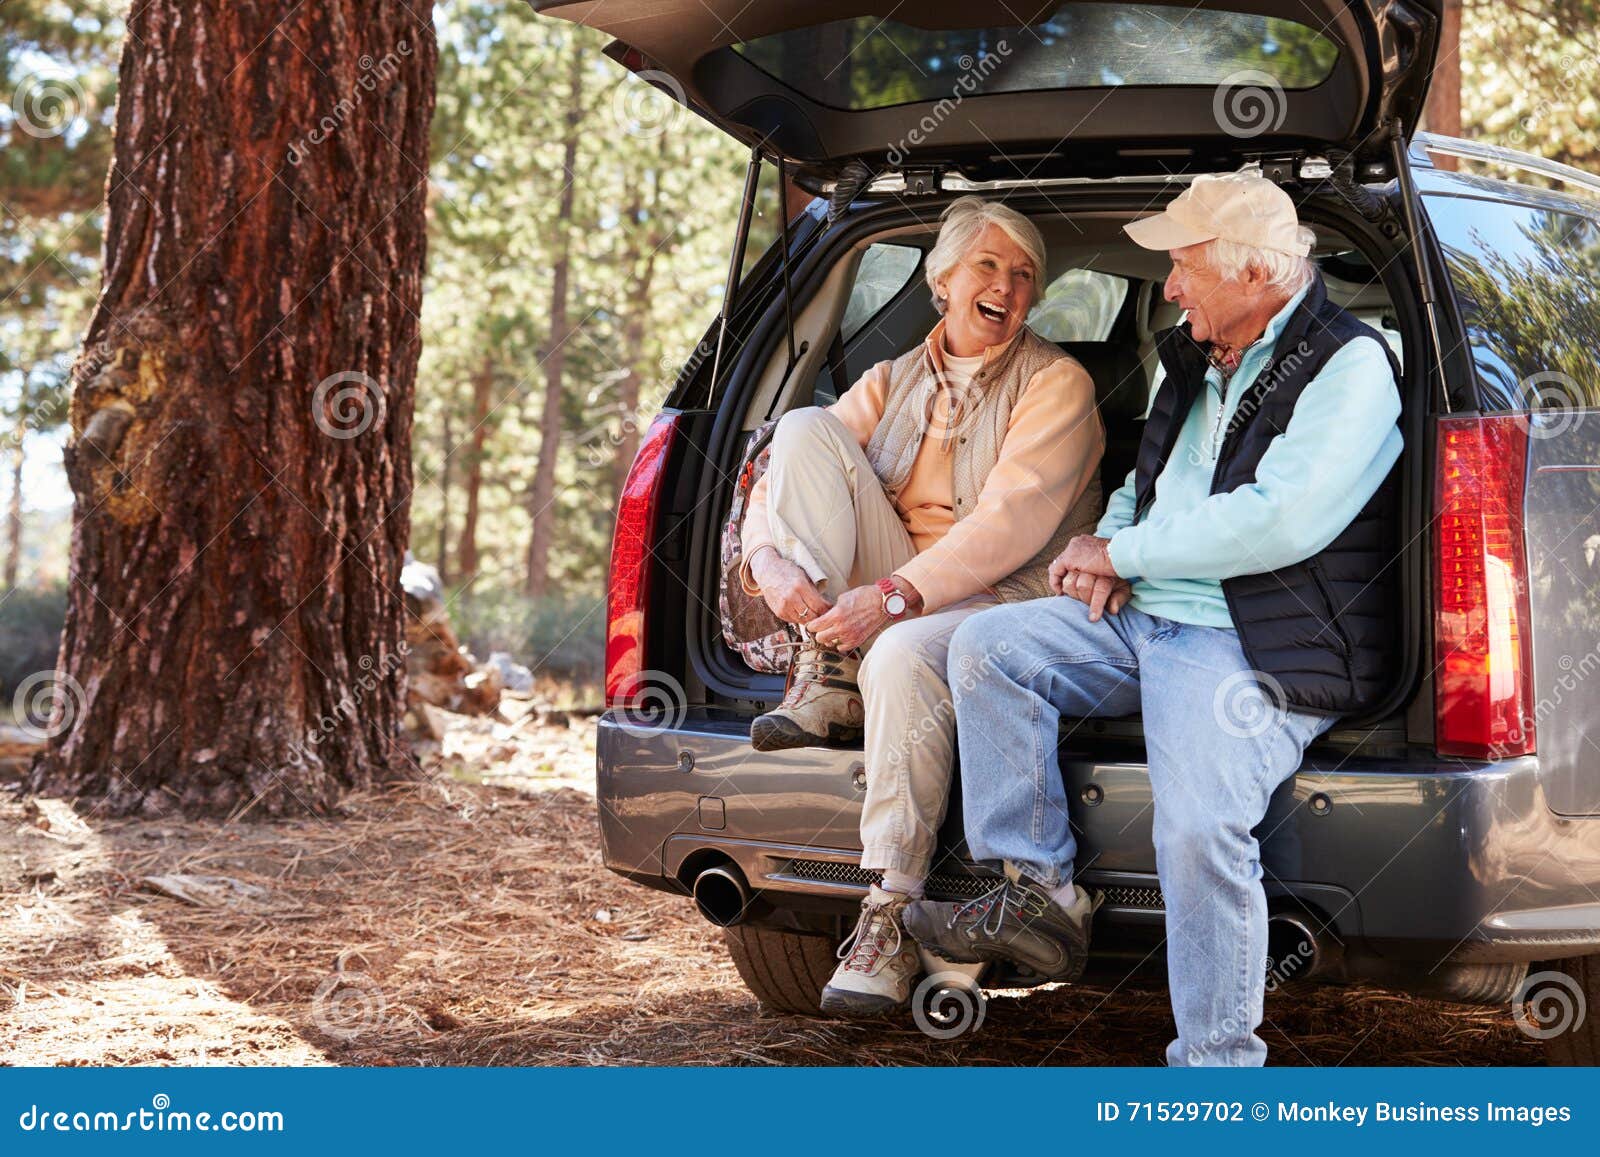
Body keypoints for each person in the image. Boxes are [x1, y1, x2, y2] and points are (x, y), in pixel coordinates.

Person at [905, 173, 1403, 1065]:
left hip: (1251, 637)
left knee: (1197, 826)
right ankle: (1036, 894)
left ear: (1255, 275)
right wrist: (1111, 541)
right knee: (986, 645)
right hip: (1145, 615)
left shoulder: (1350, 365)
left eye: (1183, 267)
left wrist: (1124, 557)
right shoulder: (1194, 353)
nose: (1169, 287)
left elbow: (1278, 519)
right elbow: (1147, 481)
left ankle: (1216, 1074)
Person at [737, 196, 1104, 1016]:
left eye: (1024, 274)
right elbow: (783, 478)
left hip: (1006, 593)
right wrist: (767, 559)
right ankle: (827, 668)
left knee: (901, 650)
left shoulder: (1058, 383)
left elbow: (1012, 526)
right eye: (989, 265)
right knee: (799, 429)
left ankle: (890, 907)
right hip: (895, 584)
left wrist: (891, 598)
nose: (1008, 285)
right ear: (942, 278)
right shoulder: (892, 377)